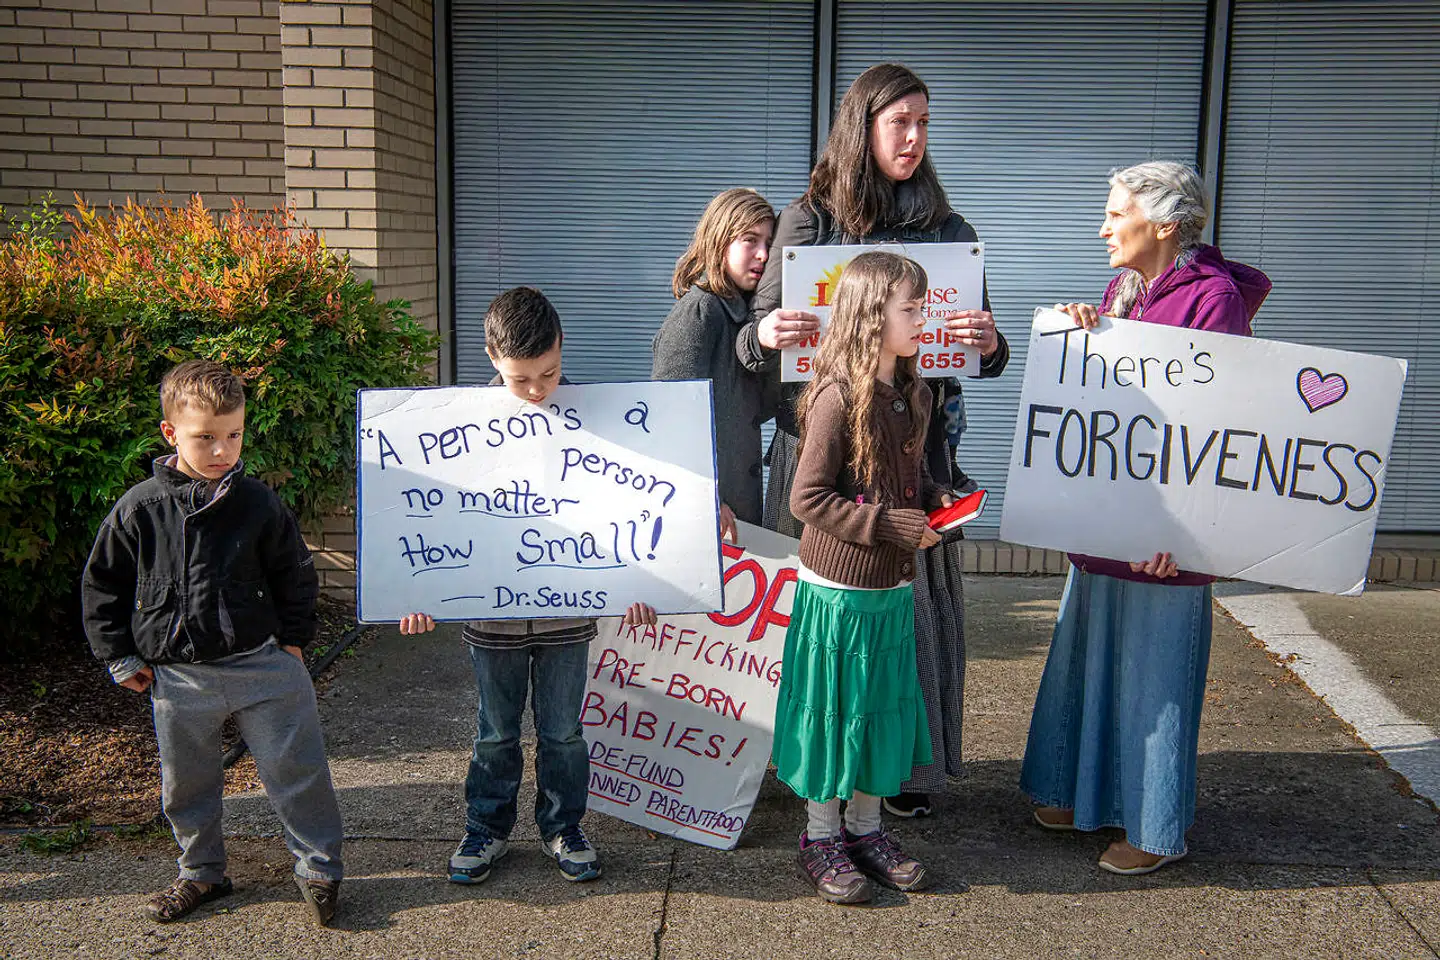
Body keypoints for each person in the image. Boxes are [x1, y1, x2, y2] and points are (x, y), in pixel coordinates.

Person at [737, 62, 1009, 818]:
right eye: (902, 123)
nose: (917, 138)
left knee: (910, 613)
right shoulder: (807, 221)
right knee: (825, 625)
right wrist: (765, 329)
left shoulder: (953, 231)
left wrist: (987, 341)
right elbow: (752, 348)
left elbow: (985, 355)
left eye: (925, 123)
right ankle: (818, 774)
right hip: (821, 452)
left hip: (916, 449)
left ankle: (904, 773)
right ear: (863, 127)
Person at [1020, 160, 1272, 875]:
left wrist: (1180, 533)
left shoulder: (1212, 300)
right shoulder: (1124, 288)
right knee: (1092, 658)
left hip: (1165, 532)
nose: (1102, 226)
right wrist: (1085, 333)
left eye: (1114, 212)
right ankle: (1081, 791)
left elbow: (1214, 430)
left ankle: (1156, 826)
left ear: (1164, 224)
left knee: (1153, 678)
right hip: (1112, 522)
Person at [398, 286, 656, 887]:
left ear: (563, 349)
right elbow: (424, 517)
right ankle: (486, 829)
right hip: (492, 624)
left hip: (569, 618)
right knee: (496, 731)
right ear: (492, 359)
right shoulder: (453, 429)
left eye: (550, 372)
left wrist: (641, 583)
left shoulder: (600, 419)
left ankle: (563, 827)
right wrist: (415, 592)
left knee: (565, 731)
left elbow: (630, 505)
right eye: (521, 379)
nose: (538, 389)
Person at [81, 359, 344, 926]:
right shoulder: (139, 509)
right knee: (188, 782)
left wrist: (294, 641)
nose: (222, 450)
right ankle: (201, 872)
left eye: (234, 435)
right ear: (171, 434)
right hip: (179, 677)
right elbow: (102, 583)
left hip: (264, 668)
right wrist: (119, 655)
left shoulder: (258, 503)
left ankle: (320, 868)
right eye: (205, 438)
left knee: (297, 770)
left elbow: (295, 572)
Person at [774, 250, 957, 905]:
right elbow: (808, 499)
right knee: (833, 715)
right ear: (870, 315)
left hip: (891, 593)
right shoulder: (834, 396)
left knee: (880, 713)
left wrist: (941, 498)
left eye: (922, 305)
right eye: (911, 308)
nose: (923, 317)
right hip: (839, 596)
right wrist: (895, 526)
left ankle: (866, 829)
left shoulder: (917, 391)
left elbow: (913, 481)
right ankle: (820, 837)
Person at [652, 188, 789, 540]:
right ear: (719, 242)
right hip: (705, 513)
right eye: (750, 240)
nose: (763, 254)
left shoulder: (742, 316)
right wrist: (703, 496)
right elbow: (669, 417)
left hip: (736, 512)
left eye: (769, 243)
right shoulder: (700, 311)